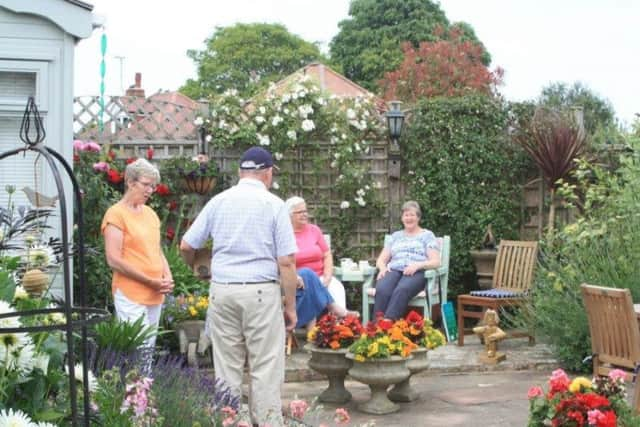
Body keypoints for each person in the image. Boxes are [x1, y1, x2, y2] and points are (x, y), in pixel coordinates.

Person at [179, 146, 297, 426]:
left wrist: (197, 267)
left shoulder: (219, 201)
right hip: (260, 292)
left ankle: (231, 422)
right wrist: (290, 305)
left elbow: (186, 245)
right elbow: (287, 262)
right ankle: (267, 422)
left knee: (227, 370)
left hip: (223, 291)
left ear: (241, 172)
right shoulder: (274, 205)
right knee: (265, 368)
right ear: (267, 174)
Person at [101, 158, 174, 356]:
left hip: (155, 292)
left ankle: (144, 388)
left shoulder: (150, 214)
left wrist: (166, 276)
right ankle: (131, 387)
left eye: (153, 186)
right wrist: (150, 281)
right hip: (130, 293)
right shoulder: (115, 214)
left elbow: (156, 249)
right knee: (136, 351)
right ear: (131, 182)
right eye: (146, 185)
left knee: (148, 351)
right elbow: (114, 260)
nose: (150, 190)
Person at [285, 196, 357, 329]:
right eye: (300, 212)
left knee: (336, 287)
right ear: (289, 215)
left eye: (305, 211)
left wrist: (328, 275)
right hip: (298, 279)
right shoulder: (285, 234)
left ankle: (340, 330)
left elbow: (327, 254)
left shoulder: (314, 230)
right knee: (308, 275)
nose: (305, 214)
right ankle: (338, 312)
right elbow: (284, 262)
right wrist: (294, 276)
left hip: (321, 276)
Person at [373, 200, 441, 320]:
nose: (409, 218)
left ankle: (388, 324)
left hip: (416, 272)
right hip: (394, 270)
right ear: (402, 218)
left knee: (402, 290)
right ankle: (376, 326)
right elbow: (381, 260)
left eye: (412, 215)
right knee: (382, 289)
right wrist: (383, 268)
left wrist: (418, 265)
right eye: (406, 215)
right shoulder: (395, 236)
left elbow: (436, 261)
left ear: (418, 217)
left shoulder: (427, 235)